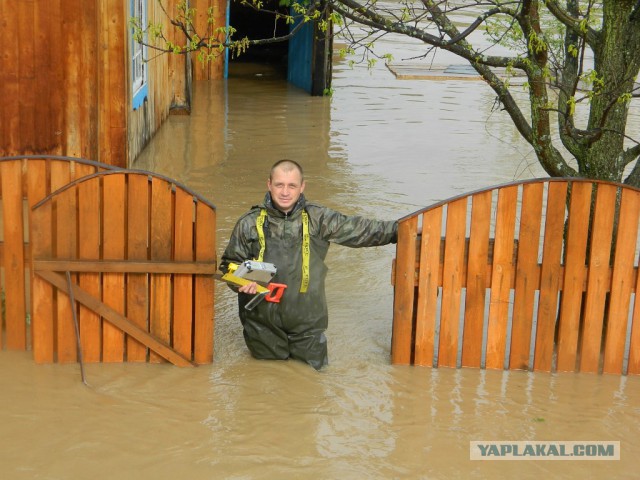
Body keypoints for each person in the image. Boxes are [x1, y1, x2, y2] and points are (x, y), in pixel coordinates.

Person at [220, 159, 398, 370]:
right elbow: (229, 264)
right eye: (279, 185)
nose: (285, 192)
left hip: (308, 323)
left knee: (312, 385)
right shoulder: (248, 223)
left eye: (292, 185)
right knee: (266, 381)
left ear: (302, 187)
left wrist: (402, 229)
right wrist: (241, 283)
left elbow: (361, 230)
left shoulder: (318, 218)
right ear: (269, 184)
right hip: (261, 322)